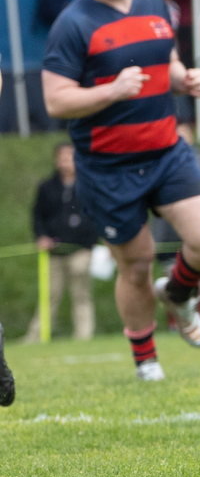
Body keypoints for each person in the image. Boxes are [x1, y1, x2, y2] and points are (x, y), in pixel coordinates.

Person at [43, 0, 200, 383]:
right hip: (108, 167)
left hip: (166, 151)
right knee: (137, 264)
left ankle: (180, 294)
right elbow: (56, 100)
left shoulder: (154, 5)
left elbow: (163, 65)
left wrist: (186, 78)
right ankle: (146, 359)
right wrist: (110, 91)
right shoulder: (73, 23)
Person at [152, 125, 200, 328]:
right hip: (168, 231)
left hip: (195, 229)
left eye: (185, 135)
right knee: (171, 279)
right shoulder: (159, 162)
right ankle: (178, 324)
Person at [33, 143, 100, 340]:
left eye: (69, 157)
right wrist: (41, 236)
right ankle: (37, 335)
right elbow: (37, 216)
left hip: (81, 250)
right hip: (54, 252)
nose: (65, 161)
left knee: (81, 294)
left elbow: (96, 215)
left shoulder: (87, 185)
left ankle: (83, 335)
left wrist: (91, 242)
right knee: (49, 295)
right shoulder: (47, 187)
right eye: (62, 157)